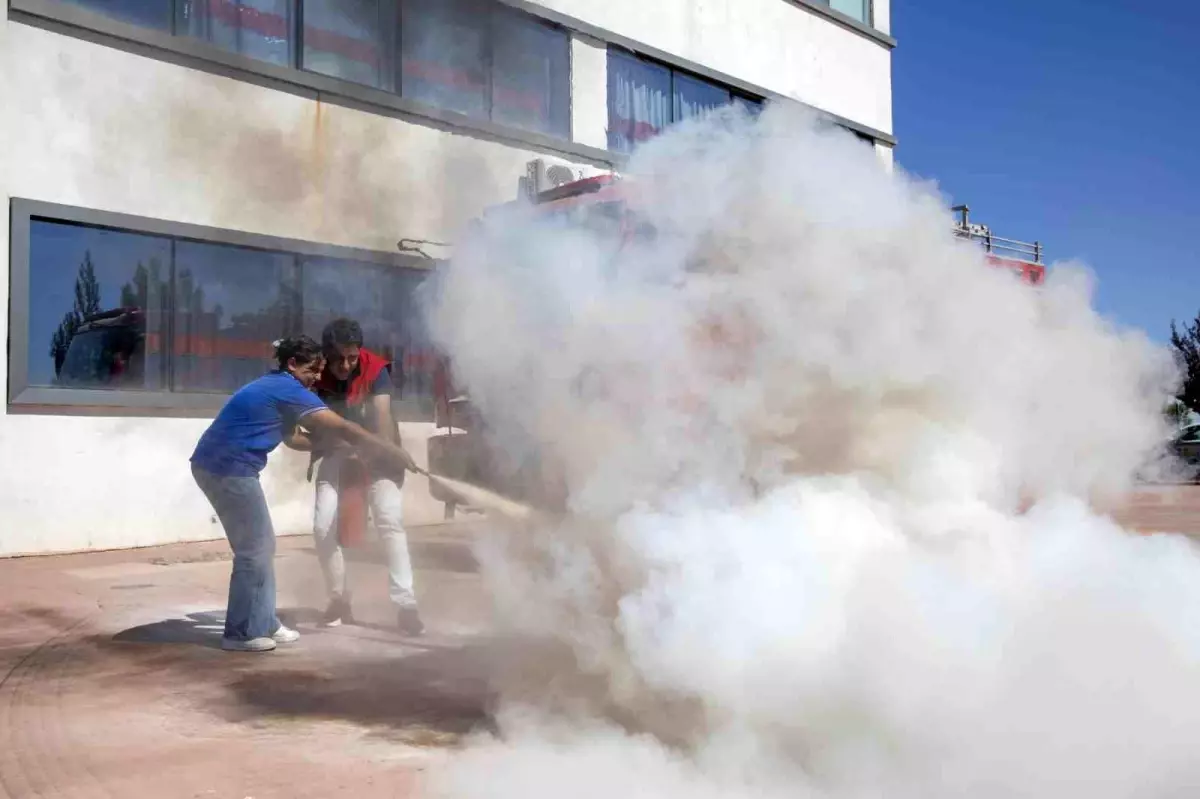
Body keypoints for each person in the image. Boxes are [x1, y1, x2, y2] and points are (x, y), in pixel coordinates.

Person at [190, 335, 419, 653]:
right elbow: (342, 426)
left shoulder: (276, 387)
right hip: (226, 468)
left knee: (261, 545)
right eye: (312, 370)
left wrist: (333, 446)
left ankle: (264, 622)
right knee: (254, 550)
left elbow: (294, 438)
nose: (316, 377)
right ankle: (240, 632)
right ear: (292, 364)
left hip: (227, 466)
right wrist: (391, 449)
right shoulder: (288, 389)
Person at [286, 318, 424, 635]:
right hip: (335, 451)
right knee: (323, 525)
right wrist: (333, 444)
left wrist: (376, 450)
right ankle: (339, 599)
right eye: (338, 359)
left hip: (380, 451)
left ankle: (406, 604)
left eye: (352, 357)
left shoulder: (376, 369)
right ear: (325, 355)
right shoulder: (314, 377)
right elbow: (299, 431)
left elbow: (383, 418)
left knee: (390, 519)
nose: (346, 365)